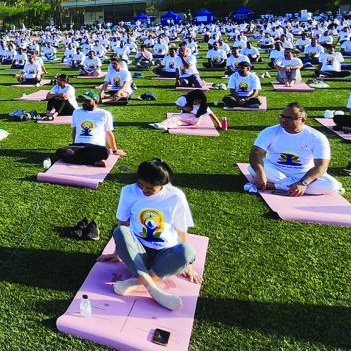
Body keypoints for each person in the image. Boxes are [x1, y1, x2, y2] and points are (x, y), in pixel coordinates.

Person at [97, 159, 201, 311]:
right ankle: (154, 289)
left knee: (188, 251)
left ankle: (135, 282)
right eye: (141, 185)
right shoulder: (128, 191)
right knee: (120, 231)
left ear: (163, 185)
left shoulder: (176, 197)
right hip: (138, 253)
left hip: (164, 255)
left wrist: (188, 265)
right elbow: (123, 223)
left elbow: (181, 230)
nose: (144, 190)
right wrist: (117, 252)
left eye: (150, 188)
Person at [248, 102, 342, 195]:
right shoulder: (270, 131)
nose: (284, 120)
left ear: (303, 120)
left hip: (303, 173)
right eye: (282, 116)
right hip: (275, 169)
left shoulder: (317, 137)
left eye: (289, 118)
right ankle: (293, 186)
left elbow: (321, 166)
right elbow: (255, 153)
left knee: (331, 184)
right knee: (252, 168)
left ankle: (276, 186)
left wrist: (303, 183)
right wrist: (260, 173)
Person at [53, 90, 125, 166]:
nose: (84, 103)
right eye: (83, 100)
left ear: (96, 102)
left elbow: (108, 133)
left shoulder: (105, 114)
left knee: (105, 151)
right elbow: (75, 130)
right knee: (60, 152)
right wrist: (74, 144)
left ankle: (76, 159)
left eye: (88, 101)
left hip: (95, 147)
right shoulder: (77, 112)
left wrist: (114, 150)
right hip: (79, 145)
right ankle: (93, 162)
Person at [150, 89, 223, 131]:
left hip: (194, 118)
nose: (196, 103)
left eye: (198, 102)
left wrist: (218, 123)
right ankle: (165, 127)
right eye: (196, 101)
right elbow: (177, 106)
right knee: (178, 122)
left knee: (175, 116)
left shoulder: (202, 105)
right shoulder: (184, 99)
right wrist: (183, 108)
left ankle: (161, 124)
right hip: (190, 120)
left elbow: (211, 114)